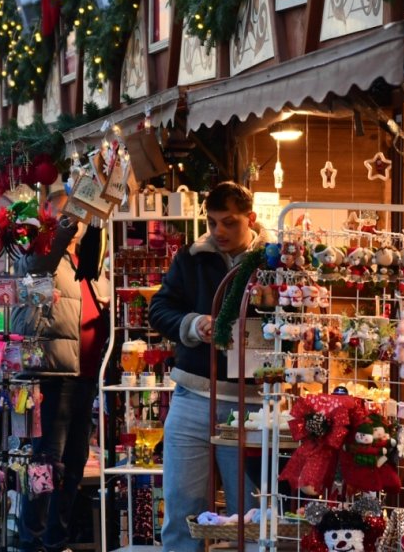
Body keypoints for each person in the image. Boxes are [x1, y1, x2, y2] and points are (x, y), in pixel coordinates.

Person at [149, 181, 264, 552]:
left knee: (251, 517)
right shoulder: (191, 257)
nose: (219, 231)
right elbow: (159, 309)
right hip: (192, 396)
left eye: (229, 222)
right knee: (182, 509)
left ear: (251, 218)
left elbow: (296, 319)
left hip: (252, 407)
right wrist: (194, 324)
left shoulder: (273, 261)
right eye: (212, 222)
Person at [18, 198, 108, 552]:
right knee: (47, 460)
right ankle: (33, 539)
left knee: (74, 462)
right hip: (57, 373)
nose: (76, 220)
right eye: (67, 214)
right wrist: (62, 230)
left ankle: (57, 539)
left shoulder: (81, 259)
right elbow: (36, 270)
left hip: (85, 375)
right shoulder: (40, 255)